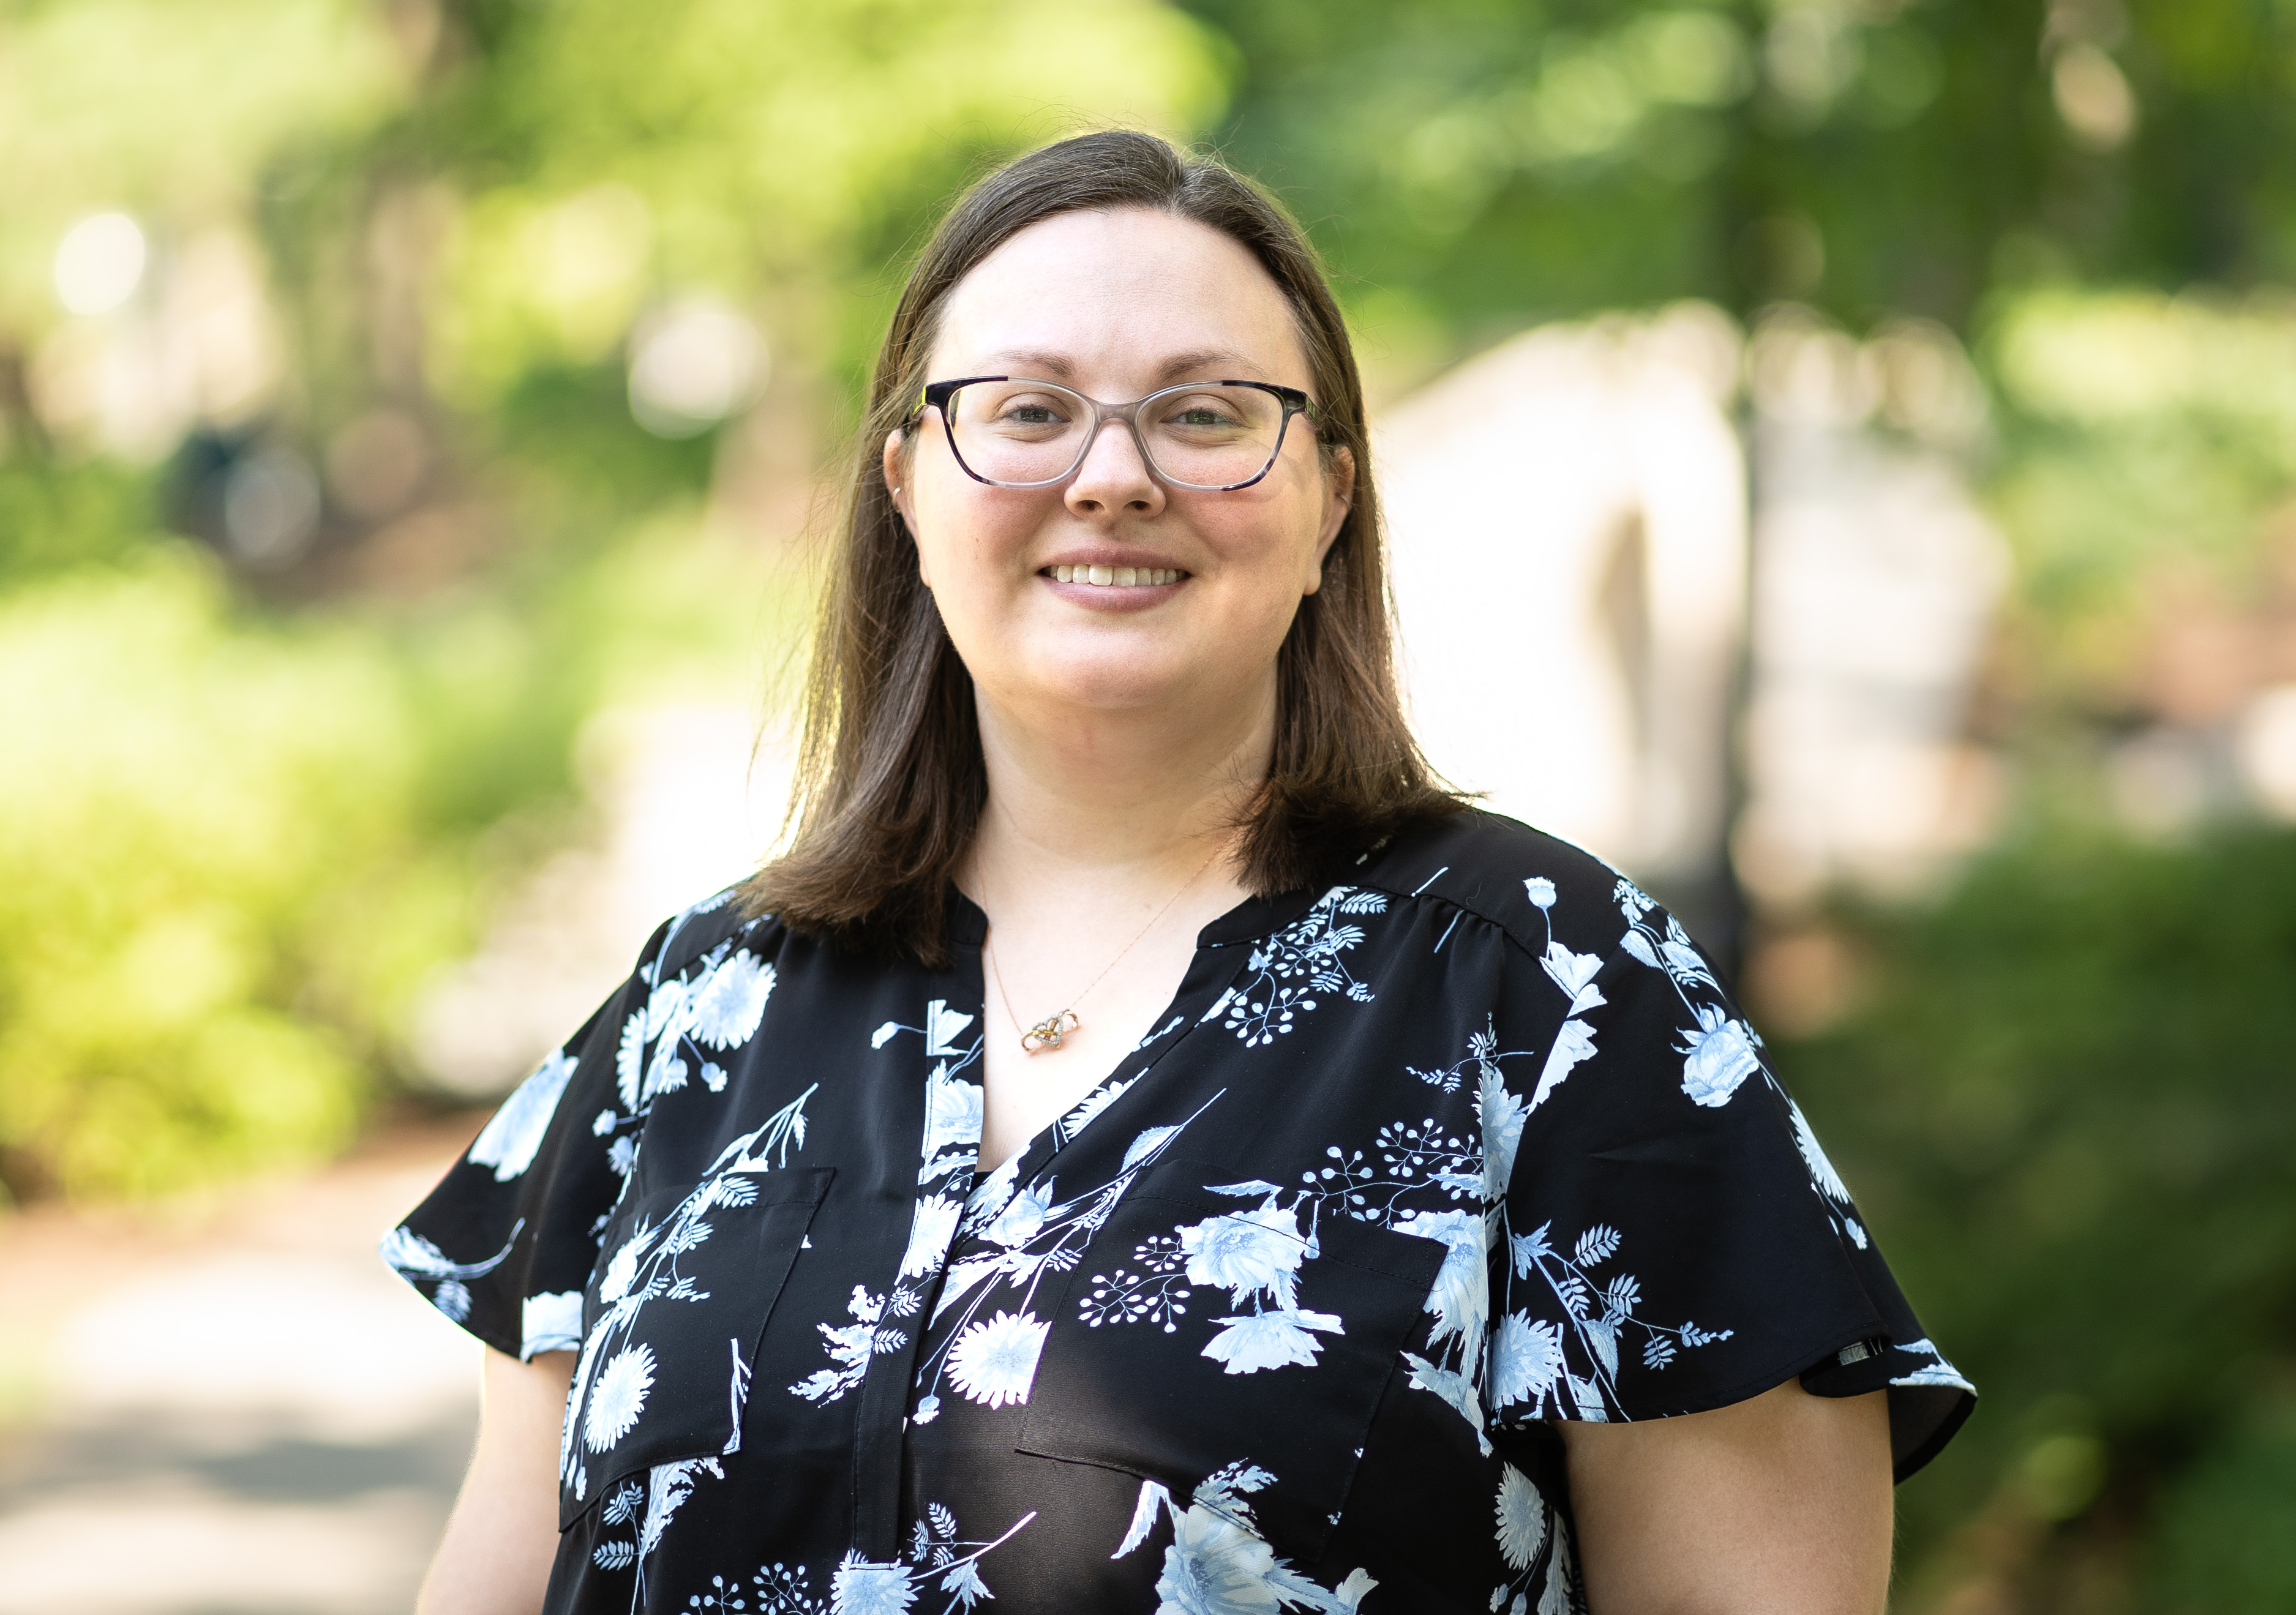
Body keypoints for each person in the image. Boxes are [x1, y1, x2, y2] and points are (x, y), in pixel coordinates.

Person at [385, 130, 1973, 1615]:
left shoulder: (1547, 989)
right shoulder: (699, 1004)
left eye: (1208, 413)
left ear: (1331, 495)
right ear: (907, 488)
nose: (1114, 475)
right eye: (1024, 408)